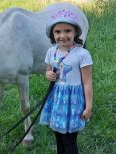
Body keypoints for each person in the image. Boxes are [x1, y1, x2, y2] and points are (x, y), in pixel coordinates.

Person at [40, 8, 93, 154]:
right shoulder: (52, 51)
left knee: (69, 141)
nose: (62, 36)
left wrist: (88, 107)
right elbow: (48, 70)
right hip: (57, 99)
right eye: (57, 32)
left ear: (75, 32)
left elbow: (87, 83)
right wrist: (48, 74)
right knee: (58, 138)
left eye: (67, 31)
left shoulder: (82, 54)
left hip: (73, 102)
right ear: (52, 34)